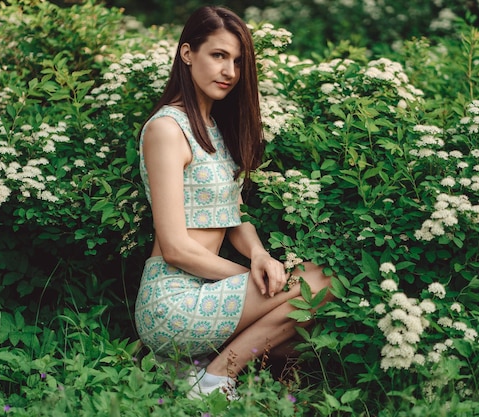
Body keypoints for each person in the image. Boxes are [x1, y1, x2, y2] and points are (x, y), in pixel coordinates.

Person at [134, 5, 333, 400]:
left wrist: (259, 256)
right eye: (219, 55)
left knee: (302, 334)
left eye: (238, 62)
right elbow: (174, 247)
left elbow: (233, 213)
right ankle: (214, 378)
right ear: (187, 53)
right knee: (319, 282)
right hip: (173, 300)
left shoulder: (214, 131)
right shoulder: (166, 129)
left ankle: (189, 369)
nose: (229, 71)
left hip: (208, 290)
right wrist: (248, 281)